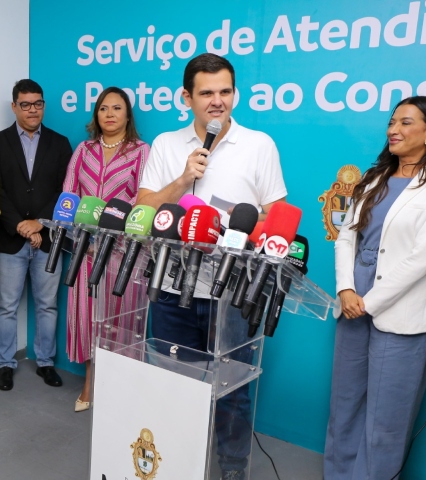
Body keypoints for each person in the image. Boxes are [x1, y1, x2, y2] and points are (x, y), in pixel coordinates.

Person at [135, 53, 287, 479]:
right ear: (187, 97)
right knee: (171, 385)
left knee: (233, 393)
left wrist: (227, 222)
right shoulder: (167, 144)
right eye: (206, 93)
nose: (217, 101)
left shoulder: (259, 145)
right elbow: (142, 210)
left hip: (235, 293)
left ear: (234, 94)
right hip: (171, 287)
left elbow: (277, 219)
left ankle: (232, 469)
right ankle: (171, 466)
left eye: (225, 91)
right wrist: (184, 180)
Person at [324, 96, 426, 480]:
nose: (393, 130)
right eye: (391, 122)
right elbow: (345, 239)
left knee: (387, 418)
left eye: (405, 123)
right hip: (352, 300)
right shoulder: (374, 178)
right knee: (345, 404)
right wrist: (346, 291)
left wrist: (369, 301)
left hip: (399, 308)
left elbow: (423, 256)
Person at [62, 86, 149, 411]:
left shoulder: (141, 151)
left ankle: (122, 390)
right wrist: (80, 233)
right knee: (88, 318)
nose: (109, 114)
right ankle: (90, 383)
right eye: (103, 108)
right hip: (86, 251)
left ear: (127, 115)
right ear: (96, 115)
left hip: (124, 252)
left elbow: (143, 198)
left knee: (120, 319)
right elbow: (69, 195)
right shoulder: (83, 150)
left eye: (116, 108)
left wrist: (111, 228)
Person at [0, 79, 72, 391]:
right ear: (14, 107)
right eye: (25, 104)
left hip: (49, 238)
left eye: (37, 103)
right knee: (7, 306)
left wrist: (40, 223)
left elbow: (66, 190)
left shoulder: (60, 144)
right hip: (10, 240)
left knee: (47, 304)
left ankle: (45, 362)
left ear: (43, 105)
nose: (32, 109)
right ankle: (6, 364)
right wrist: (21, 225)